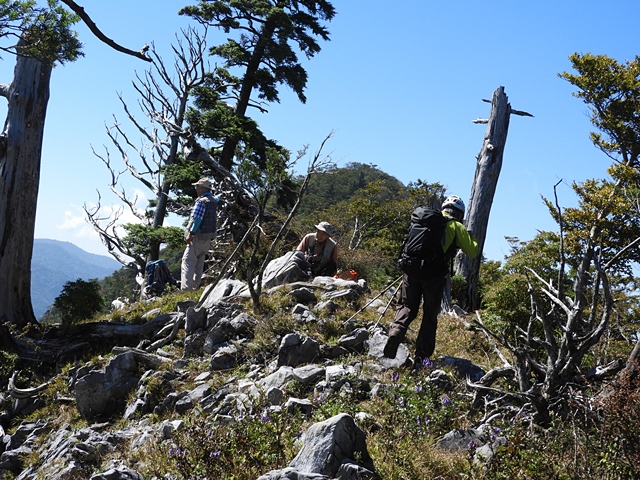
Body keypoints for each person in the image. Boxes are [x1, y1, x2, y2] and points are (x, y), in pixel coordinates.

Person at [383, 195, 478, 366]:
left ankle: (396, 332)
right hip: (434, 276)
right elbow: (471, 252)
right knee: (429, 315)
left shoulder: (423, 221)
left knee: (406, 306)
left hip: (411, 270)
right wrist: (473, 238)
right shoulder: (456, 226)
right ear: (459, 214)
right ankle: (422, 356)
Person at [181, 177, 220, 290]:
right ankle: (195, 288)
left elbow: (197, 219)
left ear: (202, 188)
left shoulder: (201, 202)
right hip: (207, 239)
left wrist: (190, 235)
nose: (196, 188)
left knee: (187, 262)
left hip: (197, 238)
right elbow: (217, 198)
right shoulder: (213, 201)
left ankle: (186, 290)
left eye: (197, 186)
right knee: (199, 264)